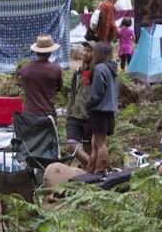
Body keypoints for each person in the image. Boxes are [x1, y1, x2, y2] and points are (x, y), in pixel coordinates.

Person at [85, 41, 119, 175]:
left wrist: (88, 104)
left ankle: (100, 171)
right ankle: (90, 170)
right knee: (94, 143)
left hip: (100, 110)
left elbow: (97, 93)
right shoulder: (111, 69)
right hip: (108, 110)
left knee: (100, 143)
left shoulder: (100, 68)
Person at [19, 34, 63, 118]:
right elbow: (59, 88)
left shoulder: (25, 68)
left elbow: (24, 86)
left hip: (29, 114)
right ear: (50, 52)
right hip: (48, 114)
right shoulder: (55, 69)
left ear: (36, 51)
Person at [65, 41, 93, 169]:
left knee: (88, 149)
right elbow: (72, 93)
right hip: (75, 117)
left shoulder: (97, 73)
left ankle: (89, 174)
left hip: (89, 118)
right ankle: (95, 167)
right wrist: (68, 112)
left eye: (89, 51)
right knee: (71, 145)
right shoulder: (77, 73)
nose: (85, 53)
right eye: (84, 50)